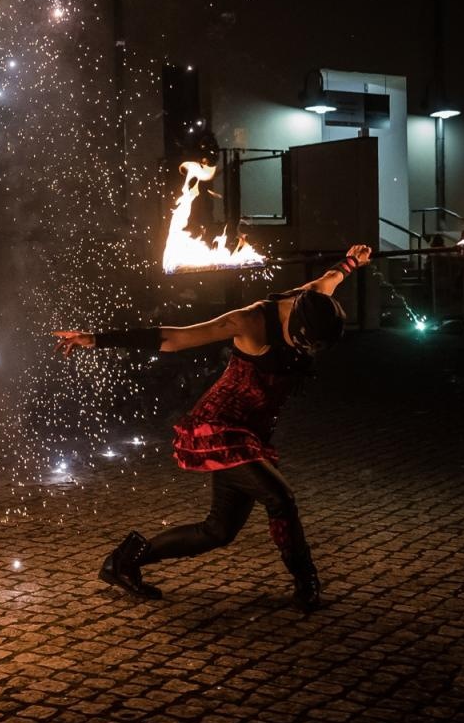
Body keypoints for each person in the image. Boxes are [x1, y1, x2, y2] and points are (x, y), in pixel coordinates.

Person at [53, 244, 373, 612]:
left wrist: (354, 260)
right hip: (218, 426)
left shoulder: (316, 298)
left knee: (218, 531)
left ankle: (124, 562)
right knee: (280, 497)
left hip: (251, 435)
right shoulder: (250, 321)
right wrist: (95, 340)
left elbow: (334, 274)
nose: (308, 351)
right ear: (293, 323)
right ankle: (307, 584)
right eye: (305, 343)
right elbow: (172, 337)